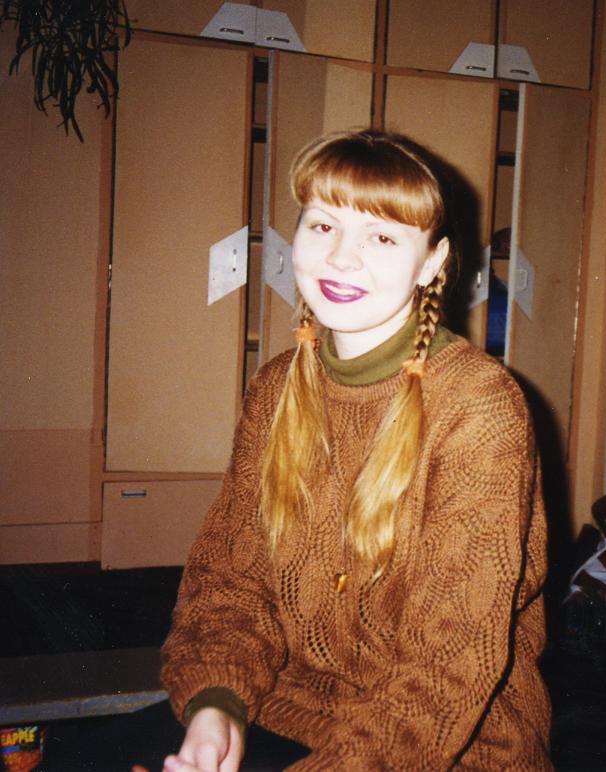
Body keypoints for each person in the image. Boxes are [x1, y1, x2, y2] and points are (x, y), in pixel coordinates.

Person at [158, 130, 552, 771]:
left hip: (450, 747)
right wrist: (216, 708)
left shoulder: (480, 406)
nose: (341, 259)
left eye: (383, 237)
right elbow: (230, 582)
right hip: (285, 708)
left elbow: (446, 670)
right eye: (323, 226)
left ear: (432, 262)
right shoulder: (277, 387)